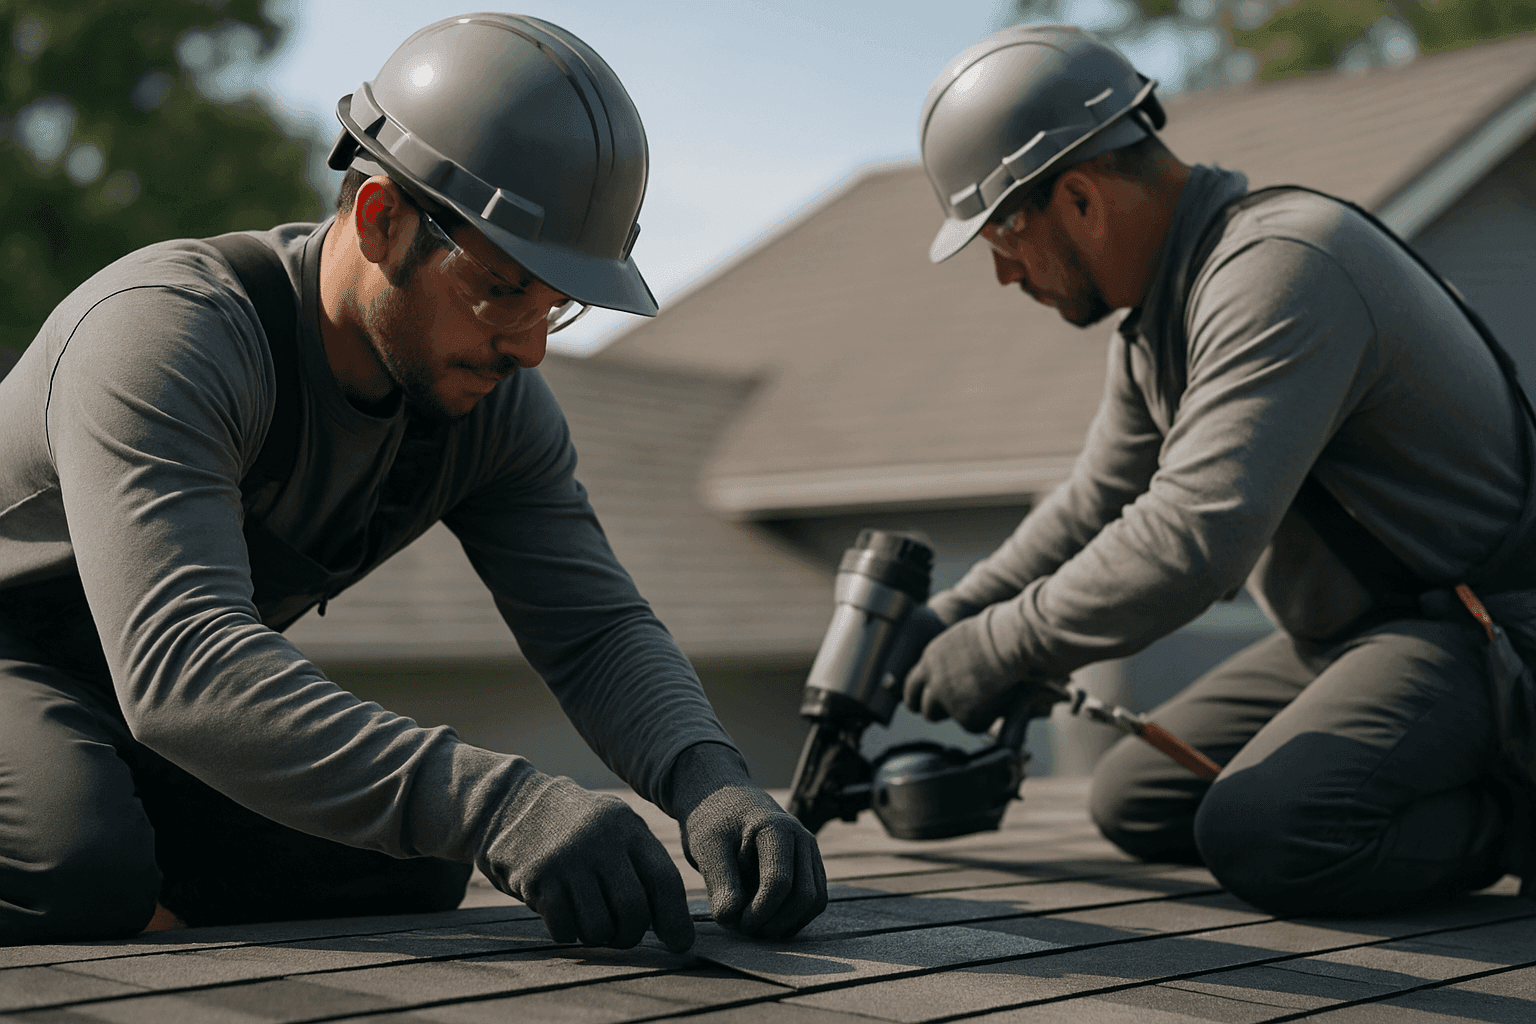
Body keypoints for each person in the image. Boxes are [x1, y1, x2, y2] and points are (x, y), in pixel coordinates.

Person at [0, 14, 825, 946]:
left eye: (558, 306)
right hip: (35, 665)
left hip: (128, 711)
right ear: (381, 218)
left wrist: (713, 782)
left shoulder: (485, 401)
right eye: (507, 288)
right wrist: (504, 803)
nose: (530, 347)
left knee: (407, 867)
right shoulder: (167, 337)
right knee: (73, 868)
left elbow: (592, 630)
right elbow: (184, 666)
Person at [900, 24, 1535, 916]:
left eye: (1003, 236)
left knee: (1268, 833)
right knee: (1137, 798)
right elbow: (1092, 506)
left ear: (1079, 198)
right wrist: (941, 620)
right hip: (1359, 638)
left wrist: (1002, 645)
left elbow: (1193, 541)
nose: (1005, 274)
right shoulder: (1160, 319)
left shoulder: (1282, 267)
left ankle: (1518, 815)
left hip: (1487, 632)